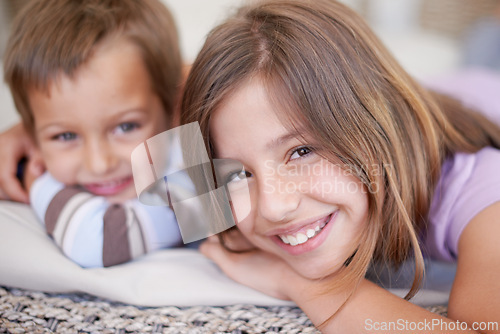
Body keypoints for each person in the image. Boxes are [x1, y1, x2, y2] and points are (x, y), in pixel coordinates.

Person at [180, 0, 500, 332]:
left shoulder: (481, 194)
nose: (275, 208)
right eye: (238, 174)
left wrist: (305, 284)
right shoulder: (223, 148)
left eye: (302, 152)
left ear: (374, 126)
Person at [1, 0, 184, 267]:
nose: (100, 164)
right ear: (32, 138)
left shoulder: (199, 173)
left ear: (173, 107)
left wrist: (35, 179)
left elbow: (97, 242)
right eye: (65, 136)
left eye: (126, 126)